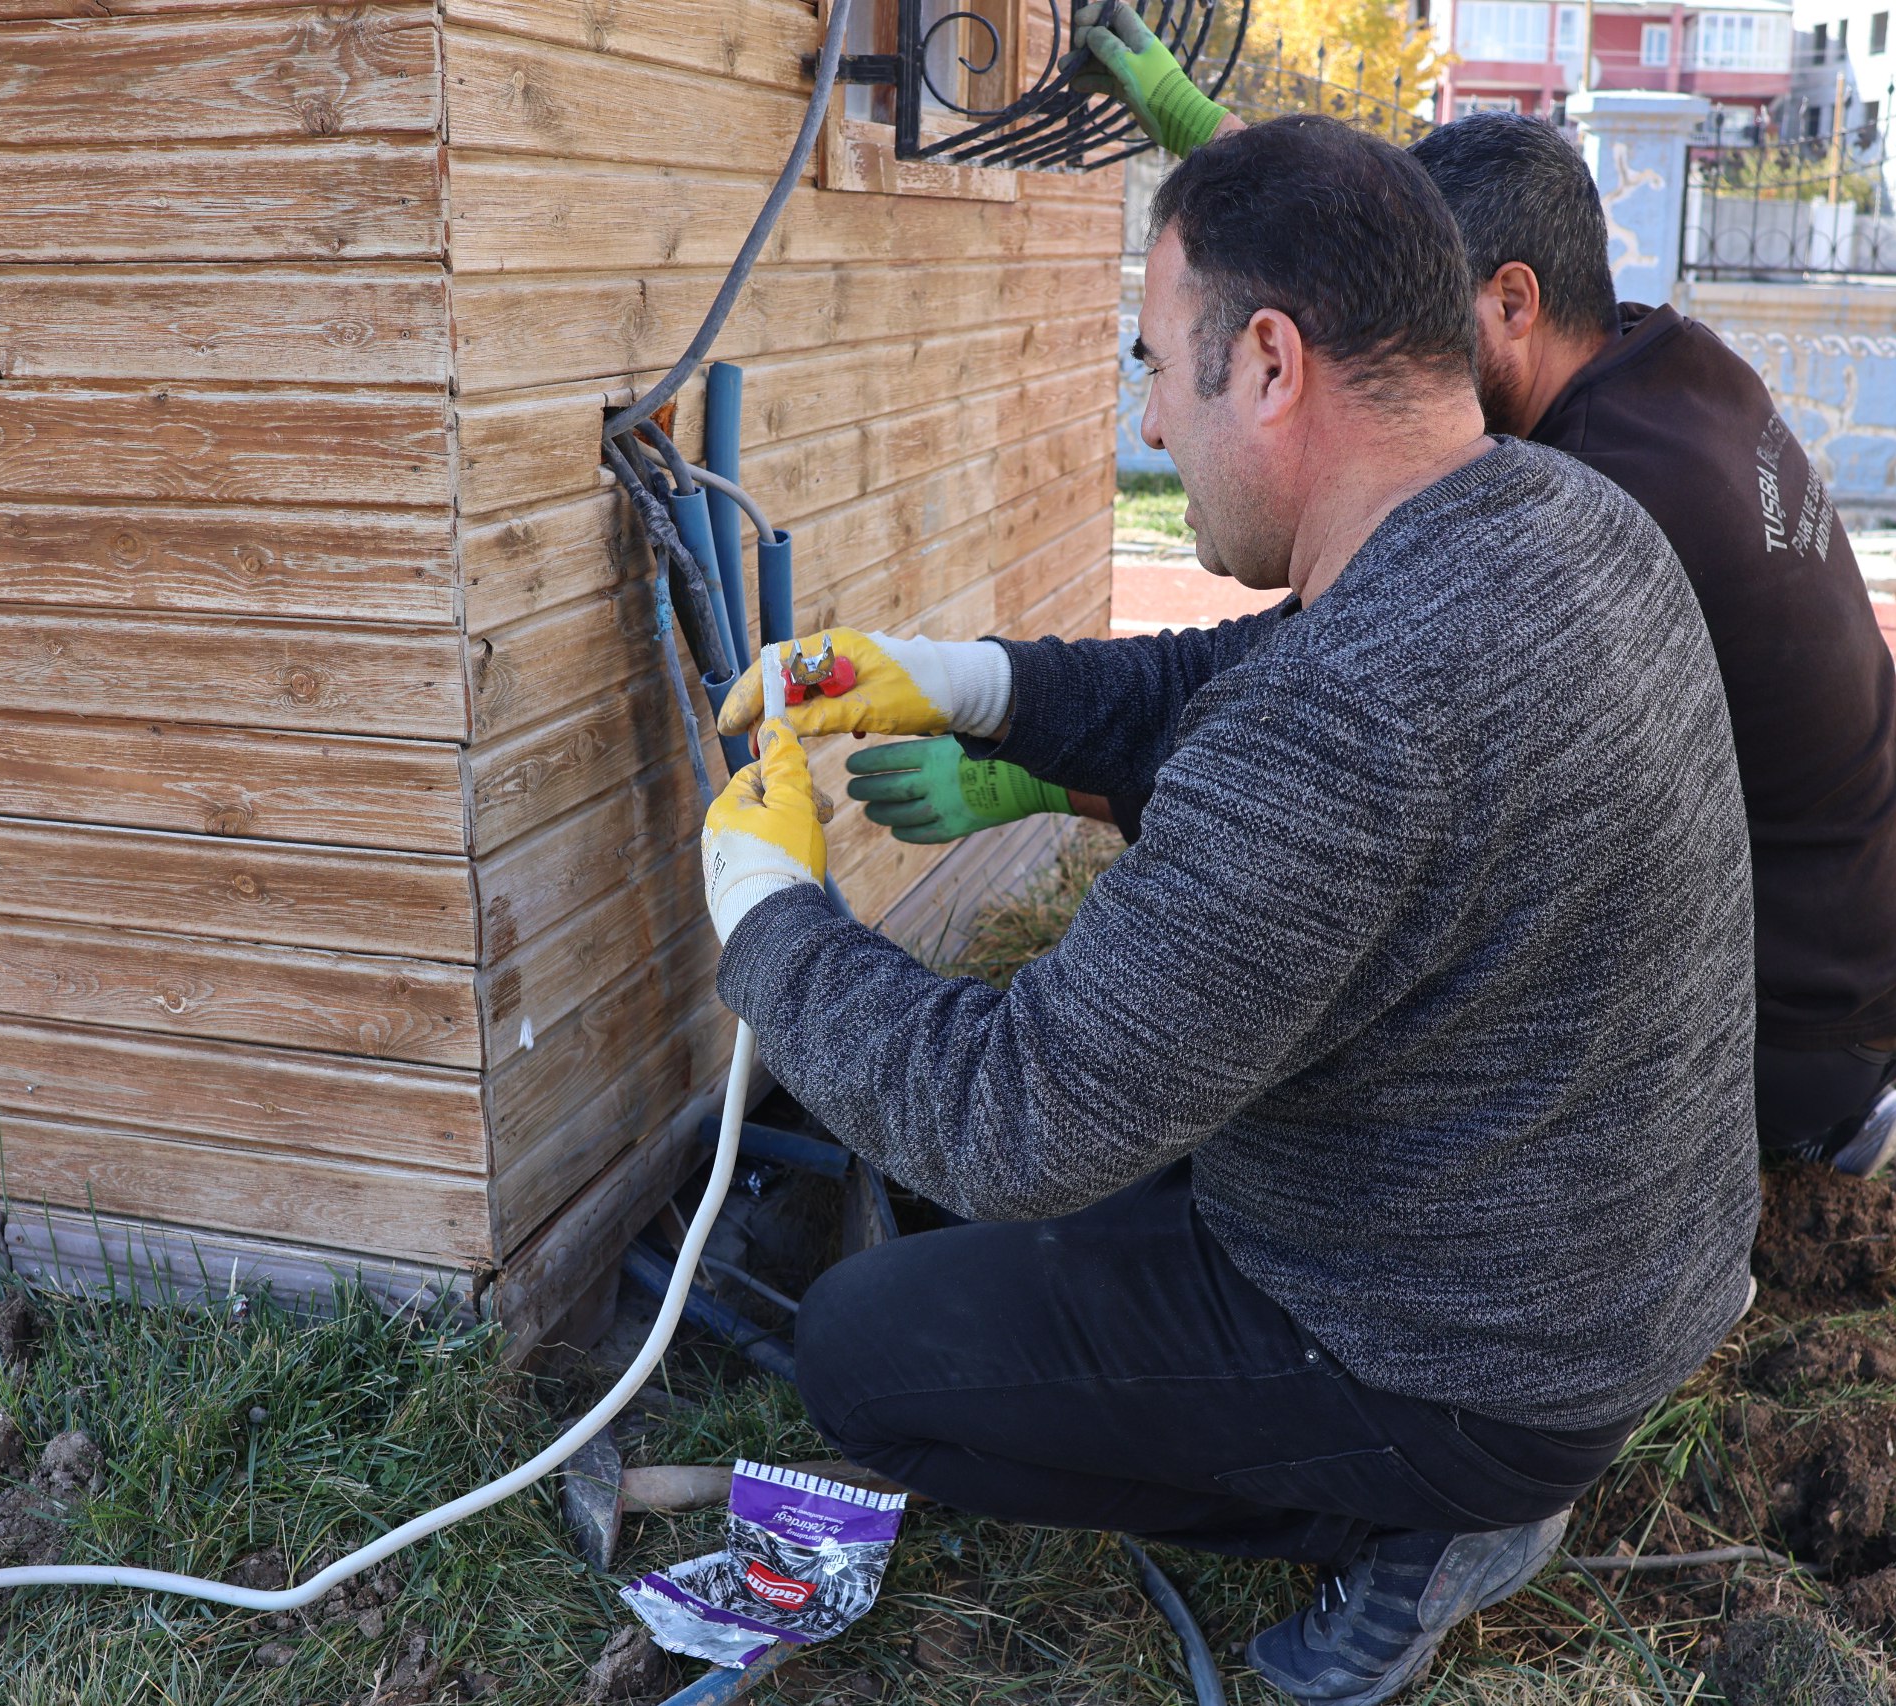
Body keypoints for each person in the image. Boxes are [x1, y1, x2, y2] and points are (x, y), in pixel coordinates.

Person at [700, 117, 1757, 1706]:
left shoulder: (1357, 719)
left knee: (868, 1353)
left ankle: (1422, 1519)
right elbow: (1236, 672)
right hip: (1589, 1254)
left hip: (1473, 1362)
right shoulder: (1553, 520)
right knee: (1022, 1204)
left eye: (1155, 367)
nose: (1144, 423)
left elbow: (1013, 1117)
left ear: (1269, 363)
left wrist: (765, 909)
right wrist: (969, 682)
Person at [884, 18, 1896, 1176]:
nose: (1407, 340)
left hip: (1788, 1017)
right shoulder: (1666, 366)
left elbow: (1308, 767)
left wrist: (1035, 773)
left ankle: (1758, 1134)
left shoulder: (1581, 507)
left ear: (1510, 302)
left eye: (1438, 315)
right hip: (1867, 948)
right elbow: (1395, 251)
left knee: (1362, 993)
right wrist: (1218, 147)